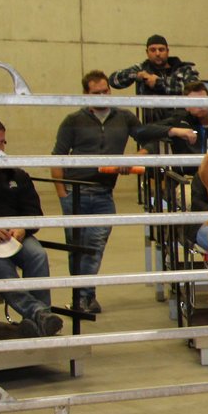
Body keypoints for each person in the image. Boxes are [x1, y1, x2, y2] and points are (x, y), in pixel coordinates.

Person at [50, 70, 159, 315]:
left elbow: (149, 139)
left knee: (96, 244)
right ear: (86, 94)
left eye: (106, 91)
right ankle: (83, 297)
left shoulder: (125, 117)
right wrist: (62, 194)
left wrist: (136, 156)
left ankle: (85, 295)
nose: (102, 95)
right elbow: (57, 155)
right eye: (96, 92)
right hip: (75, 191)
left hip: (103, 192)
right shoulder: (72, 120)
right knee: (77, 246)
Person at [0, 115, 63, 337]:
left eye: (2, 143)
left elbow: (34, 212)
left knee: (37, 255)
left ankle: (36, 323)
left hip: (15, 236)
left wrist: (23, 228)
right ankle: (40, 314)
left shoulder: (17, 175)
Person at [109, 34, 200, 124]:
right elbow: (114, 80)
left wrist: (158, 83)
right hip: (152, 129)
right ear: (147, 52)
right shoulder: (142, 68)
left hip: (183, 125)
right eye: (153, 50)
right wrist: (137, 75)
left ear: (167, 51)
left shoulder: (185, 69)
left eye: (161, 50)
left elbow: (195, 92)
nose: (157, 53)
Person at [153, 81, 208, 154]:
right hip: (186, 172)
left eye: (204, 101)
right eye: (195, 102)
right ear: (186, 107)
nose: (201, 106)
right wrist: (174, 131)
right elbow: (144, 131)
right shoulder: (179, 123)